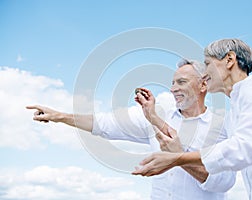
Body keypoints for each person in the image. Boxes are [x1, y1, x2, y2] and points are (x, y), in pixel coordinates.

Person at [27, 59, 235, 200]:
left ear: (203, 86)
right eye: (172, 83)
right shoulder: (154, 116)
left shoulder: (222, 126)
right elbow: (104, 124)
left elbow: (223, 183)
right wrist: (59, 116)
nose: (173, 88)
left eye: (182, 82)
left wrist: (178, 156)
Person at [132, 39, 252, 199]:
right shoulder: (235, 110)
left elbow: (246, 147)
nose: (204, 74)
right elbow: (181, 139)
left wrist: (178, 158)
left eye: (207, 64)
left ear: (229, 60)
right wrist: (153, 117)